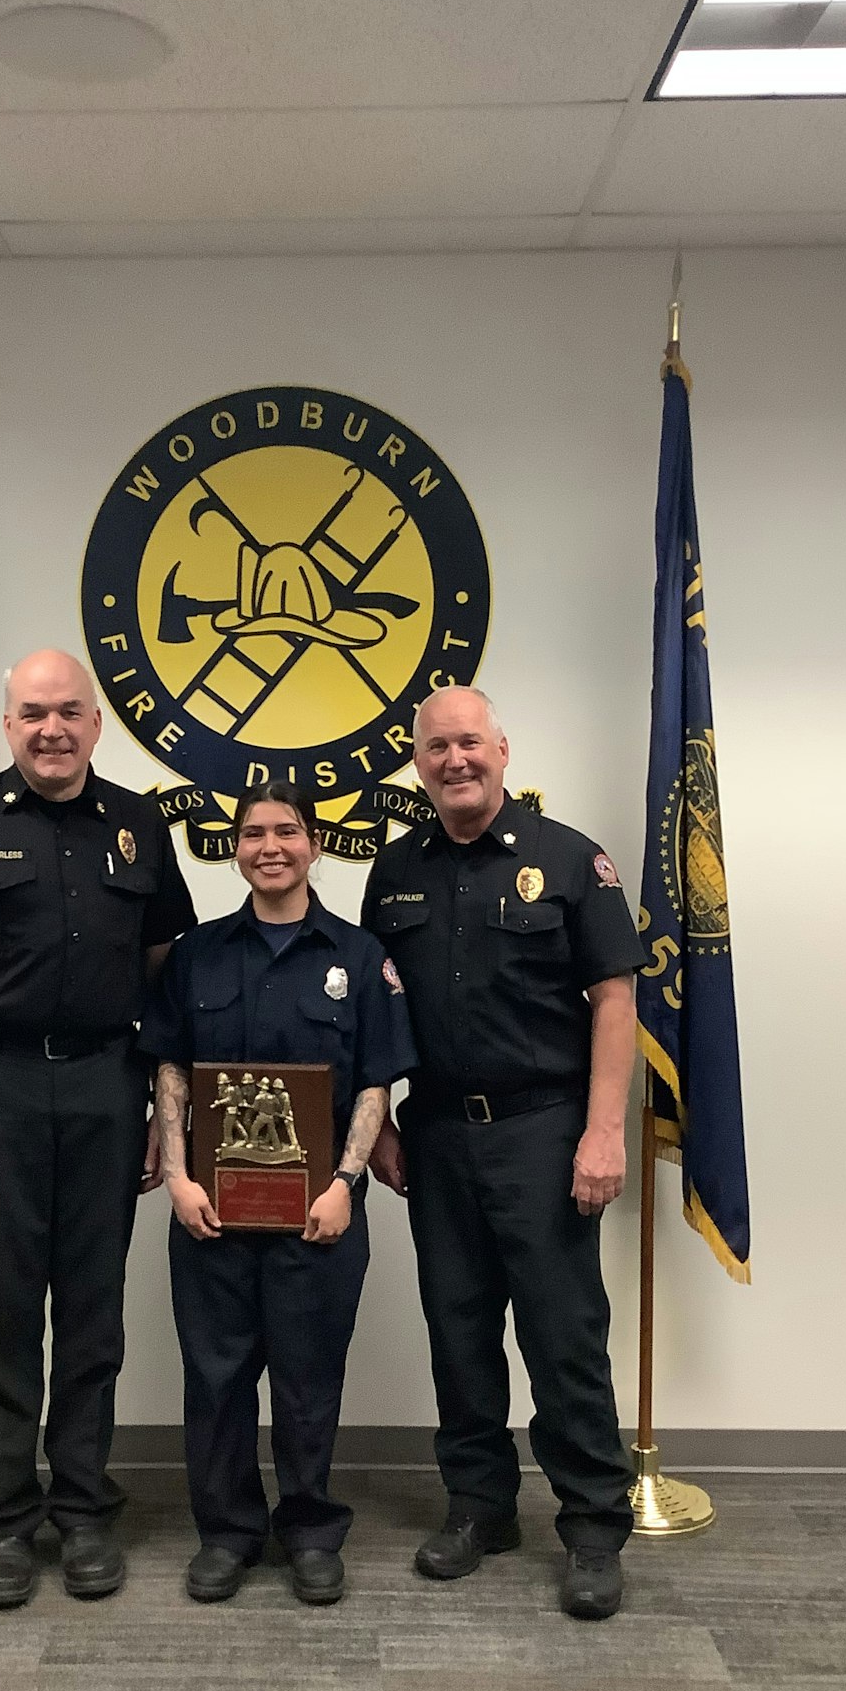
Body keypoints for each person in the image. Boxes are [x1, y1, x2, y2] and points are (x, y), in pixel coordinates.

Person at [0, 649, 196, 1608]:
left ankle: (84, 1513)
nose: (52, 729)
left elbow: (163, 973)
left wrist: (161, 1109)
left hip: (108, 1084)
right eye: (33, 714)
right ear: (10, 721)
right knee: (6, 1312)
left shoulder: (138, 823)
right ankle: (9, 1522)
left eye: (69, 711)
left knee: (94, 1314)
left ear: (97, 721)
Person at [361, 686, 644, 1620]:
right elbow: (377, 1012)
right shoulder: (393, 872)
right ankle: (480, 1506)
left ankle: (594, 1526)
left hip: (544, 1130)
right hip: (437, 1134)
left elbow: (614, 1000)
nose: (455, 760)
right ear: (418, 762)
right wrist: (387, 1124)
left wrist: (605, 1131)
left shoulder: (570, 860)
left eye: (470, 742)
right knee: (460, 1329)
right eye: (437, 747)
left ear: (503, 749)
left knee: (564, 1336)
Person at [142, 783, 417, 1606]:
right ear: (235, 848)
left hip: (320, 1216)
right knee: (217, 1378)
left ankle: (308, 1528)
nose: (270, 845)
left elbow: (374, 1082)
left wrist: (347, 1182)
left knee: (308, 1378)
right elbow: (171, 1068)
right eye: (253, 832)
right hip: (211, 1214)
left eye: (286, 831)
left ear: (315, 844)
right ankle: (227, 1533)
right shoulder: (197, 953)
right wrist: (178, 1176)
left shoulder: (360, 957)